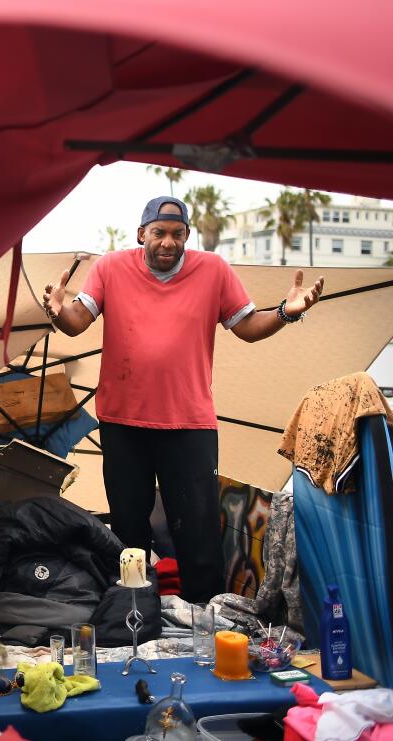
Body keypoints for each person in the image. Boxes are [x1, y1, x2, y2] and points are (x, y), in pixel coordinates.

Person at [42, 196, 324, 603]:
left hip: (189, 425)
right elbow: (76, 321)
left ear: (187, 236)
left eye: (177, 234)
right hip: (124, 424)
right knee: (128, 535)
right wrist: (57, 311)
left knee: (198, 534)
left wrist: (286, 312)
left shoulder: (213, 270)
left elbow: (245, 326)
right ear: (142, 234)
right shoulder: (110, 268)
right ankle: (133, 617)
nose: (168, 242)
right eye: (159, 233)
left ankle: (204, 625)